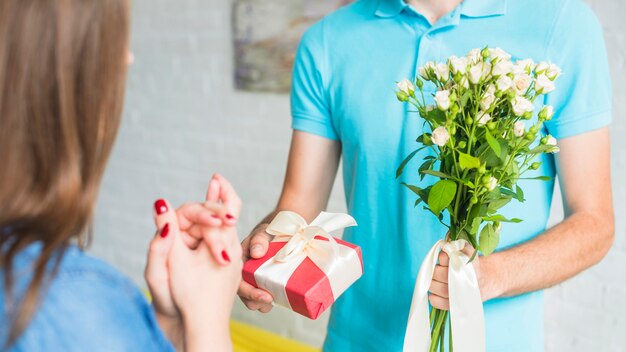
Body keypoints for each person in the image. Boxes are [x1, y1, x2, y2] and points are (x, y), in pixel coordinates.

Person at [237, 0, 614, 351]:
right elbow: (299, 204)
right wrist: (266, 249)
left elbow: (594, 223)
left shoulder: (561, 24)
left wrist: (489, 276)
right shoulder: (326, 40)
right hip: (356, 339)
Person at [0, 1, 241, 351]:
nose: (127, 58)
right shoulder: (69, 299)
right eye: (112, 40)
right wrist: (209, 321)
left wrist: (169, 320)